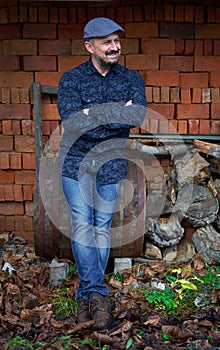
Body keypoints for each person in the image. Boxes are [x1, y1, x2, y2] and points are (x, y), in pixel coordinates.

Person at [57, 17, 147, 331]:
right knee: (83, 225)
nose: (114, 47)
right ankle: (97, 295)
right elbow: (72, 122)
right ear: (89, 46)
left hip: (111, 163)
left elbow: (137, 114)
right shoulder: (72, 79)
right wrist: (115, 111)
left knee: (102, 227)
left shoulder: (131, 78)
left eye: (117, 41)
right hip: (76, 162)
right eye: (107, 42)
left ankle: (87, 295)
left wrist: (92, 113)